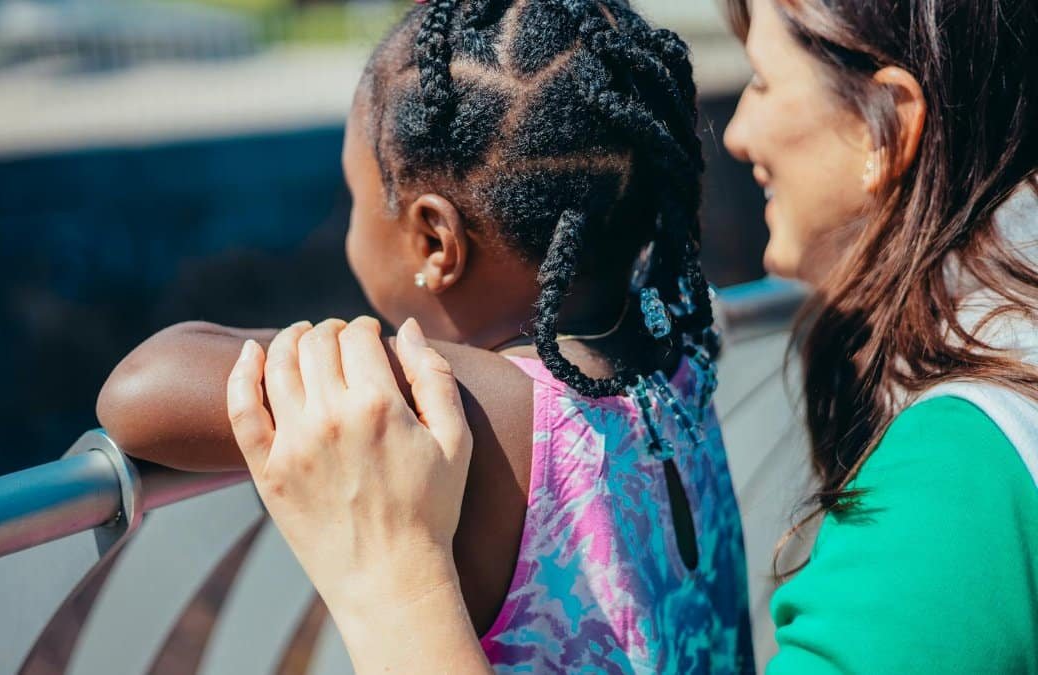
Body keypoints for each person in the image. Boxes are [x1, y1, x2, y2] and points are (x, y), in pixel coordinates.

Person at [223, 0, 1038, 672]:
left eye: (759, 81)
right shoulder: (673, 370)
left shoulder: (955, 486)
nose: (735, 131)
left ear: (886, 124)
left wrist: (391, 580)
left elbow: (144, 391)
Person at [97, 0, 754, 671]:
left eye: (352, 202)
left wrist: (358, 355)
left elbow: (139, 391)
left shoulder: (471, 411)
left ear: (435, 241)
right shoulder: (676, 347)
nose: (340, 235)